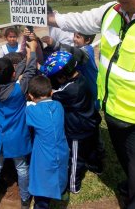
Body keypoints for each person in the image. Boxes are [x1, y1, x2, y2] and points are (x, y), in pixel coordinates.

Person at [47, 0, 135, 209]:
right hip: (112, 112)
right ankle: (133, 184)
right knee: (129, 164)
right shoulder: (113, 11)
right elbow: (78, 20)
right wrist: (45, 17)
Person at [0, 40, 37, 209]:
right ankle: (25, 198)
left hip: (0, 135)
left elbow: (21, 70)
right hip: (18, 136)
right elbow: (30, 70)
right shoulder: (19, 89)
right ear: (13, 74)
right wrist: (32, 52)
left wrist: (24, 57)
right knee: (22, 167)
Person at [40, 51, 102, 194]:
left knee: (75, 158)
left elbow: (52, 95)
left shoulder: (68, 90)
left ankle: (73, 185)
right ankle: (96, 167)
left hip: (77, 131)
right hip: (91, 123)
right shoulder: (81, 77)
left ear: (62, 76)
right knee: (93, 150)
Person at [26, 75, 69, 209]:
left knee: (42, 180)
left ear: (30, 96)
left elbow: (28, 109)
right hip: (62, 150)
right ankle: (62, 192)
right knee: (61, 172)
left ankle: (41, 205)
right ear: (51, 92)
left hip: (44, 155)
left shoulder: (31, 110)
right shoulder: (59, 106)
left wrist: (30, 102)